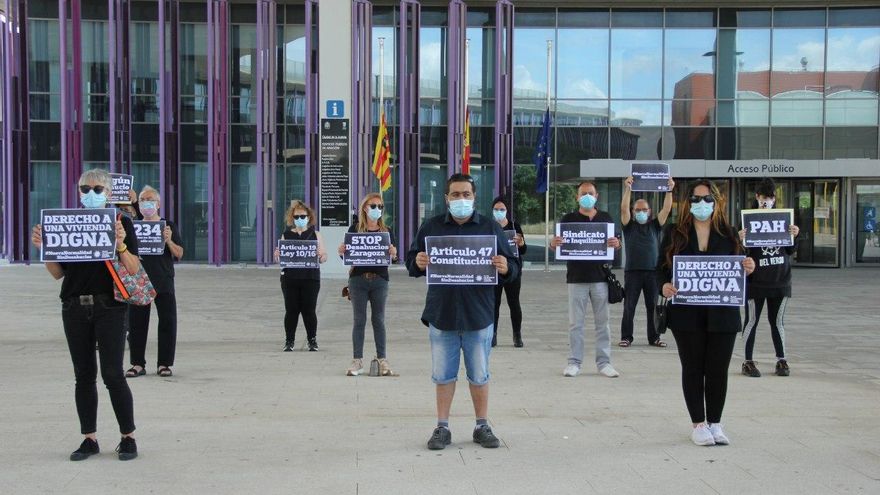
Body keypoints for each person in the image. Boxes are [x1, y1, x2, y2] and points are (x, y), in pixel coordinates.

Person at [30, 168, 140, 461]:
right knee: (83, 375)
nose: (91, 194)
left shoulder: (121, 221)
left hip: (110, 307)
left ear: (107, 192)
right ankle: (89, 438)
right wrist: (45, 249)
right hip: (74, 306)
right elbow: (57, 274)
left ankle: (127, 437)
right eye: (85, 188)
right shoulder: (66, 223)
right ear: (77, 191)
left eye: (97, 189)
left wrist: (121, 245)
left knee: (113, 374)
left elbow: (133, 269)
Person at [405, 173, 521, 451]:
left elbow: (514, 267)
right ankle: (442, 427)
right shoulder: (431, 227)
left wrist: (506, 267)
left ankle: (482, 425)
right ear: (446, 198)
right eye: (455, 195)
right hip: (442, 313)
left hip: (478, 314)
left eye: (466, 194)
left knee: (479, 374)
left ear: (474, 197)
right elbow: (411, 261)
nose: (461, 199)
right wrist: (418, 262)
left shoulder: (490, 228)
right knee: (443, 374)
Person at [658, 179, 756, 446]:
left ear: (716, 202)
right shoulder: (675, 233)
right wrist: (664, 285)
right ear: (688, 203)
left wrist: (749, 266)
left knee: (717, 369)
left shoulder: (729, 234)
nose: (702, 204)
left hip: (722, 314)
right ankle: (698, 423)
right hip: (686, 315)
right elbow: (660, 270)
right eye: (696, 199)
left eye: (707, 199)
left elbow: (741, 268)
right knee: (692, 368)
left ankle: (715, 422)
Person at [549, 181, 622, 378]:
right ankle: (574, 362)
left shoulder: (606, 218)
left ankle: (604, 363)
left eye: (590, 193)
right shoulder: (569, 219)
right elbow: (557, 245)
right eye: (583, 193)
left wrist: (617, 244)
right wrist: (553, 244)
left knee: (603, 323)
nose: (587, 196)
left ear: (597, 196)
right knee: (575, 324)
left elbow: (616, 243)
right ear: (577, 197)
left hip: (600, 278)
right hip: (576, 278)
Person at [739, 178, 800, 378]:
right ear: (757, 197)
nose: (767, 201)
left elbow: (790, 250)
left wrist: (795, 234)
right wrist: (739, 239)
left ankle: (781, 359)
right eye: (764, 197)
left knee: (778, 321)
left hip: (780, 279)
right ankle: (747, 361)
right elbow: (739, 252)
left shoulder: (783, 220)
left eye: (771, 197)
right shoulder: (748, 221)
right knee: (752, 320)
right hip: (755, 281)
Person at [125, 186, 184, 378]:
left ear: (158, 204)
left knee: (167, 322)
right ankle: (137, 363)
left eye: (150, 200)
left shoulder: (168, 226)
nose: (146, 203)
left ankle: (164, 363)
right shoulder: (133, 225)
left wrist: (168, 241)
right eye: (142, 200)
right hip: (139, 279)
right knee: (137, 323)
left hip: (164, 279)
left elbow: (179, 253)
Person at [338, 193, 398, 376]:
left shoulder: (386, 231)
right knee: (359, 320)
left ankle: (382, 359)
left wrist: (394, 253)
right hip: (358, 280)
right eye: (373, 206)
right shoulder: (355, 229)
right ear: (365, 208)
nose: (377, 210)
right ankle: (357, 360)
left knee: (378, 319)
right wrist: (342, 252)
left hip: (380, 280)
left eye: (380, 206)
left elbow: (393, 258)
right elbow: (347, 255)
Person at [618, 176, 674, 348]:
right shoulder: (628, 226)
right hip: (633, 272)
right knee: (629, 307)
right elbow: (623, 209)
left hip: (652, 273)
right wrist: (628, 188)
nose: (641, 212)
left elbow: (666, 209)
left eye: (644, 209)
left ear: (649, 211)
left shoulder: (655, 225)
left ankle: (654, 337)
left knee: (653, 307)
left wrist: (669, 190)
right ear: (634, 212)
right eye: (637, 210)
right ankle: (626, 337)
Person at [275, 200, 327, 352]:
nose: (299, 219)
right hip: (290, 278)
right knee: (291, 310)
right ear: (292, 217)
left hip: (310, 277)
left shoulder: (316, 235)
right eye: (296, 216)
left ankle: (312, 340)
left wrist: (321, 255)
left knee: (309, 310)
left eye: (302, 216)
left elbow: (324, 257)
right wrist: (277, 255)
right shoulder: (286, 235)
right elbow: (280, 258)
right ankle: (289, 341)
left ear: (309, 217)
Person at [490, 195, 527, 348]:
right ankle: (492, 335)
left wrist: (521, 243)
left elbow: (524, 250)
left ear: (507, 211)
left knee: (514, 303)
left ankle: (517, 335)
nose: (499, 212)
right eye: (496, 209)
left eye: (502, 209)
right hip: (494, 270)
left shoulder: (514, 226)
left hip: (513, 270)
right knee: (494, 304)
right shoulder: (489, 226)